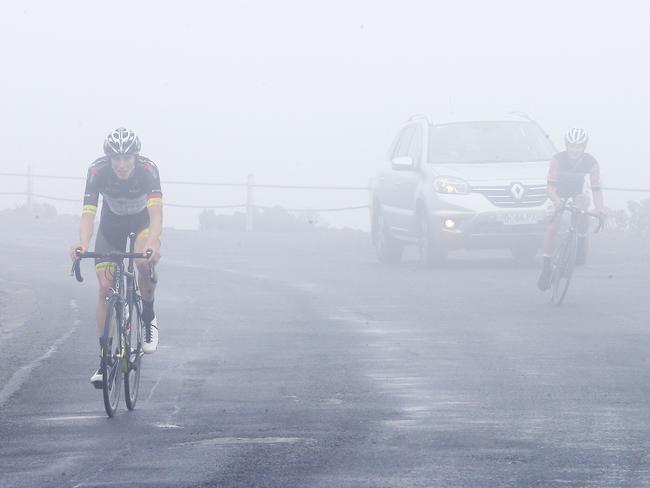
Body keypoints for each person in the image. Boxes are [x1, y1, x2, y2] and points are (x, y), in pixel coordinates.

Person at [69, 128, 162, 386]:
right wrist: (83, 243)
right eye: (116, 159)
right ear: (109, 159)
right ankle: (104, 358)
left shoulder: (148, 170)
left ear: (135, 157)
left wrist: (153, 243)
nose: (121, 165)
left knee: (143, 261)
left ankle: (147, 315)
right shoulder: (97, 172)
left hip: (142, 224)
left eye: (127, 158)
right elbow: (88, 213)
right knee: (105, 288)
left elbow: (156, 215)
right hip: (111, 227)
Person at [537, 127, 606, 291]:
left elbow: (596, 189)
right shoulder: (557, 160)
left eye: (579, 146)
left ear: (584, 146)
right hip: (558, 193)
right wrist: (556, 200)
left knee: (583, 204)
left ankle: (581, 240)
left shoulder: (592, 162)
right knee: (552, 226)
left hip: (577, 192)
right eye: (572, 146)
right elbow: (550, 188)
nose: (575, 150)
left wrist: (600, 209)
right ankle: (546, 267)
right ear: (567, 145)